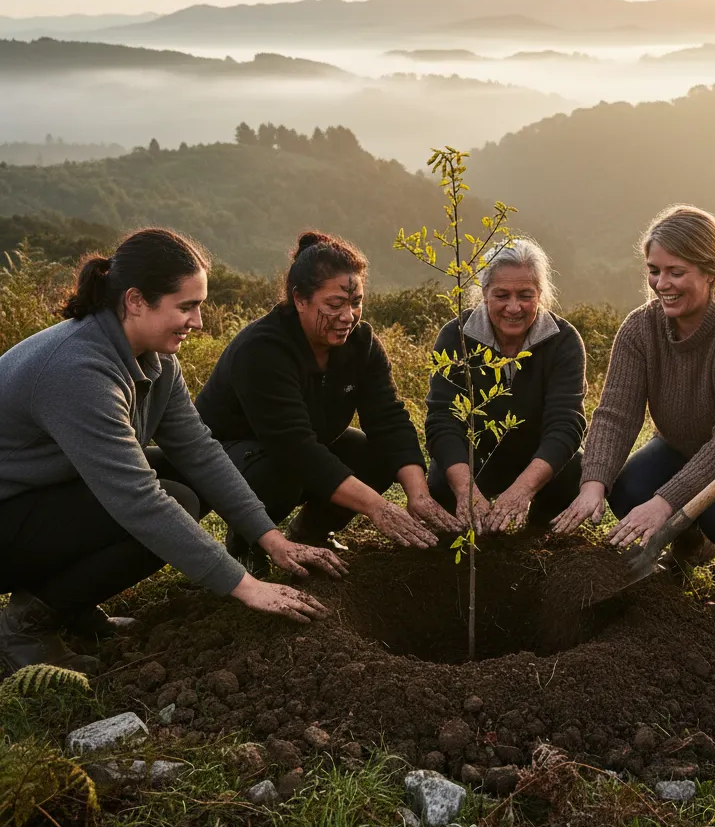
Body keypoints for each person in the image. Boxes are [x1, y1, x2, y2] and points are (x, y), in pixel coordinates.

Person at [0, 229, 343, 677]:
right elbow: (138, 500)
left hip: (35, 495)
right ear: (136, 300)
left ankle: (69, 606)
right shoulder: (78, 371)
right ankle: (25, 628)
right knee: (167, 503)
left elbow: (200, 451)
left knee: (181, 472)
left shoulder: (155, 361)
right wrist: (245, 587)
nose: (198, 322)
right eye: (186, 307)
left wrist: (270, 537)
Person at [552, 205, 715, 621]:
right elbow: (615, 415)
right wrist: (593, 484)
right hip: (681, 447)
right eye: (654, 270)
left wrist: (665, 502)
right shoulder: (640, 328)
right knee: (626, 487)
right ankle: (691, 543)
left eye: (676, 271)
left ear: (710, 271)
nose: (661, 284)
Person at [197, 231, 454, 567]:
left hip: (300, 446)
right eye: (335, 304)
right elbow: (293, 446)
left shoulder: (361, 344)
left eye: (356, 302)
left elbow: (388, 418)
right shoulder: (263, 350)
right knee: (281, 474)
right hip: (234, 454)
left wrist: (418, 494)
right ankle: (248, 540)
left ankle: (311, 531)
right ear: (300, 299)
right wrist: (378, 507)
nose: (348, 315)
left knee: (376, 455)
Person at [425, 239, 587, 532]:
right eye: (502, 295)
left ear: (540, 294)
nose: (514, 307)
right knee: (440, 482)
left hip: (536, 460)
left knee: (575, 470)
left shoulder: (563, 341)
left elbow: (566, 423)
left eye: (526, 295)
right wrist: (465, 491)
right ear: (484, 293)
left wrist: (522, 490)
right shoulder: (456, 337)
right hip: (476, 459)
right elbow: (442, 419)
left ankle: (536, 536)